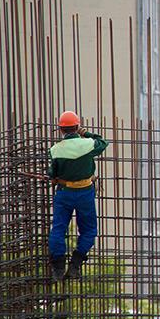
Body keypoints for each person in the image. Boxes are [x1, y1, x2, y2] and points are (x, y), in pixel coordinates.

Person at [48, 111, 109, 281]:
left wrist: (56, 177)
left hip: (64, 193)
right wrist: (86, 133)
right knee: (89, 230)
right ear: (77, 127)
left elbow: (52, 173)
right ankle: (75, 264)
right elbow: (103, 142)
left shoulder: (55, 150)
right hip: (84, 193)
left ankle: (58, 269)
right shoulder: (88, 144)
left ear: (61, 129)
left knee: (58, 229)